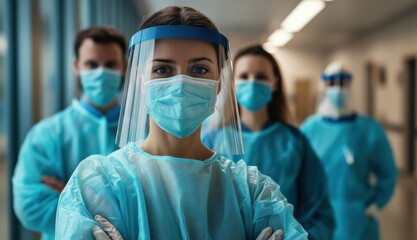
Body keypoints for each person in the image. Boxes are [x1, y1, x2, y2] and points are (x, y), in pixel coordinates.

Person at [55, 6, 308, 240]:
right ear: (139, 81)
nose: (181, 83)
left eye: (199, 70)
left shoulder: (252, 193)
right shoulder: (99, 184)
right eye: (163, 70)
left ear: (219, 83)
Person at [203, 45, 335, 240]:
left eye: (261, 76)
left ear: (274, 83)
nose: (252, 82)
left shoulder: (295, 142)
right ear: (232, 83)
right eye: (244, 76)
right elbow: (201, 208)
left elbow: (319, 210)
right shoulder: (212, 141)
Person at [12, 26, 127, 240]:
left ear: (124, 67)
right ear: (76, 67)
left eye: (110, 65)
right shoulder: (45, 135)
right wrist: (117, 205)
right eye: (91, 64)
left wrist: (71, 196)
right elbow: (30, 207)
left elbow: (156, 202)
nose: (101, 72)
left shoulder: (144, 132)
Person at [300, 62, 398, 240]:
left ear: (350, 85)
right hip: (317, 218)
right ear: (324, 86)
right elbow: (298, 174)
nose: (337, 88)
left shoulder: (369, 129)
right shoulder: (309, 129)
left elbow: (388, 172)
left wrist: (375, 202)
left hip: (358, 220)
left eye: (342, 83)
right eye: (332, 83)